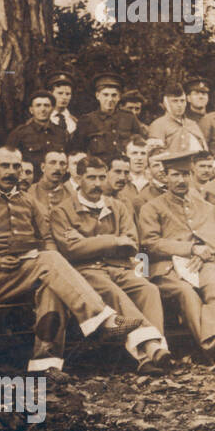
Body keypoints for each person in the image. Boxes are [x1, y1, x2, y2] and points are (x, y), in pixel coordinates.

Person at [0, 144, 139, 376]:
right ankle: (102, 319)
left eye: (16, 166)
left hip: (25, 273)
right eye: (5, 166)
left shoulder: (27, 201)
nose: (11, 171)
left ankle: (45, 365)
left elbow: (47, 238)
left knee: (52, 285)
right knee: (49, 260)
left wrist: (45, 258)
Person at [51, 156, 174, 375]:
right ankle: (147, 353)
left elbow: (131, 244)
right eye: (90, 178)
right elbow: (71, 250)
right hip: (86, 272)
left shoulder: (117, 206)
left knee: (148, 289)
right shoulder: (62, 211)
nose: (97, 183)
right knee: (112, 291)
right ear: (78, 178)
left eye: (101, 177)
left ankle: (157, 353)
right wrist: (113, 240)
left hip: (120, 267)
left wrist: (89, 243)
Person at [137, 150, 215, 364]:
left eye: (185, 175)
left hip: (203, 261)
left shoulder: (205, 207)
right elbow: (149, 244)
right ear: (165, 177)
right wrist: (190, 250)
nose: (181, 180)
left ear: (192, 175)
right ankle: (211, 345)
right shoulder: (152, 208)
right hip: (167, 267)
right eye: (175, 175)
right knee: (186, 292)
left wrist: (208, 253)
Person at [78, 74, 147, 158]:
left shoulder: (129, 118)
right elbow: (79, 151)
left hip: (123, 168)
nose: (110, 99)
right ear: (97, 96)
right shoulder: (87, 120)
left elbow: (140, 144)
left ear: (119, 97)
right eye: (105, 95)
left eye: (114, 95)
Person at [8, 90, 70, 177]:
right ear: (31, 110)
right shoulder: (20, 133)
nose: (43, 109)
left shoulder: (61, 133)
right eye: (38, 105)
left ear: (52, 109)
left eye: (46, 105)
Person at [148, 83, 206, 154]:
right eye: (175, 101)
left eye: (182, 101)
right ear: (166, 103)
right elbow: (155, 156)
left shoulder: (192, 124)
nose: (179, 105)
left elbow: (205, 149)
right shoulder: (158, 125)